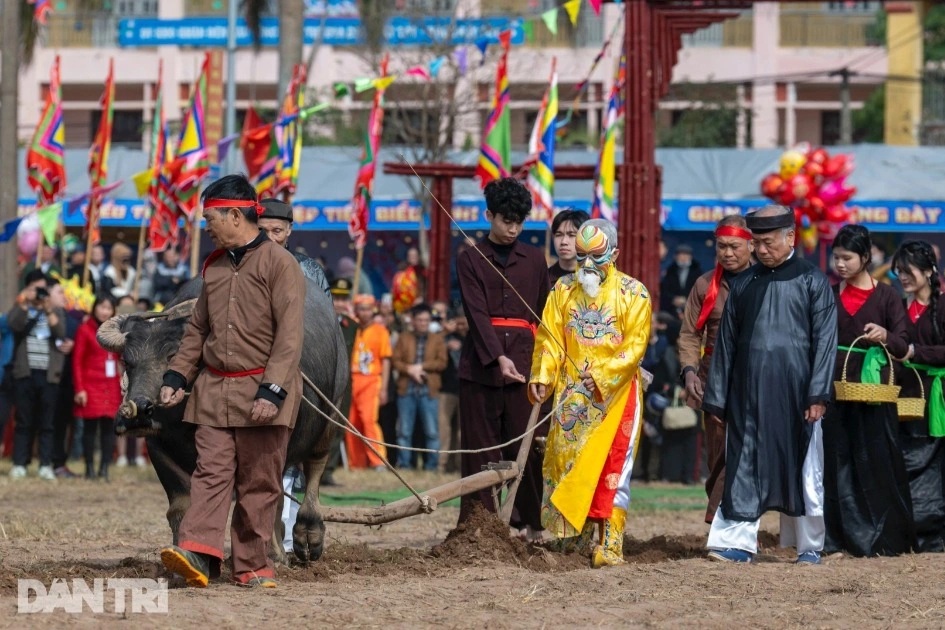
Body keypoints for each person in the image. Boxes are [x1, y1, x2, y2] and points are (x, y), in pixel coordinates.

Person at [157, 174, 305, 589]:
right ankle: (199, 556)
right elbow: (197, 331)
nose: (206, 227)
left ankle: (254, 566)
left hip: (264, 394)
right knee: (210, 473)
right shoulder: (215, 268)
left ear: (234, 215)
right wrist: (176, 375)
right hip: (214, 392)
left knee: (258, 482)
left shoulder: (280, 264)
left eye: (210, 218)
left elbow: (290, 335)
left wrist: (272, 389)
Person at [703, 206, 837, 565]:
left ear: (790, 238)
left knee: (804, 468)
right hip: (748, 396)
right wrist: (717, 399)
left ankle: (809, 547)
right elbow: (726, 345)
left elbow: (825, 342)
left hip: (798, 398)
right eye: (756, 243)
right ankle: (737, 544)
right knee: (744, 464)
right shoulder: (745, 284)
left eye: (767, 242)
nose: (761, 250)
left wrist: (818, 394)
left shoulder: (813, 281)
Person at [528, 219, 651, 567]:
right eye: (581, 256)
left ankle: (611, 545)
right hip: (571, 398)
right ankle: (574, 542)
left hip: (615, 397)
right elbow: (549, 338)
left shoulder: (635, 293)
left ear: (614, 252)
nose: (587, 265)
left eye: (595, 256)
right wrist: (542, 375)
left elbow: (634, 348)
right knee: (569, 465)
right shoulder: (562, 290)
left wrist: (599, 378)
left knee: (612, 470)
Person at [457, 177, 550, 539]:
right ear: (489, 216)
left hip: (526, 366)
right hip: (480, 367)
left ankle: (530, 524)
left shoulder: (535, 259)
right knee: (479, 448)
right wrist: (497, 356)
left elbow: (543, 314)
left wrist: (542, 366)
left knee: (526, 446)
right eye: (505, 220)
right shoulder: (470, 259)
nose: (512, 229)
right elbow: (475, 314)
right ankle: (478, 525)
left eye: (519, 222)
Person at [823, 224, 914, 557]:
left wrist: (885, 336)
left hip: (875, 391)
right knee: (836, 460)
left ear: (865, 257)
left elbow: (904, 343)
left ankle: (881, 540)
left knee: (876, 460)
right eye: (836, 258)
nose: (841, 264)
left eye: (847, 257)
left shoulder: (888, 296)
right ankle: (835, 540)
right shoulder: (828, 293)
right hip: (835, 385)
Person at [677, 215, 753, 523]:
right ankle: (723, 517)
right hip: (712, 378)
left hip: (752, 378)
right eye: (722, 246)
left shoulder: (764, 282)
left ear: (751, 246)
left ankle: (728, 522)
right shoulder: (704, 284)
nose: (728, 253)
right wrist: (689, 371)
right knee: (718, 453)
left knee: (743, 451)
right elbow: (688, 334)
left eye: (735, 247)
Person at [893, 241, 945, 552]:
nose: (902, 276)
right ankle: (913, 531)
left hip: (938, 398)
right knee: (908, 462)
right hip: (907, 399)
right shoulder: (898, 308)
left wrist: (915, 352)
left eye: (908, 270)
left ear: (928, 271)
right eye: (898, 271)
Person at [7, 271, 68, 480]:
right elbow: (13, 324)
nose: (40, 292)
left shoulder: (55, 311)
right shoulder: (22, 307)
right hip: (25, 372)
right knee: (23, 420)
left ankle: (45, 464)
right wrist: (26, 300)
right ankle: (19, 463)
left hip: (49, 374)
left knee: (47, 422)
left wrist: (47, 307)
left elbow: (60, 332)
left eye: (43, 289)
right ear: (28, 288)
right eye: (36, 288)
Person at [392, 303, 447, 470]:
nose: (423, 323)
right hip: (406, 389)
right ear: (413, 321)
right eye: (420, 320)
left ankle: (432, 465)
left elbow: (442, 362)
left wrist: (421, 367)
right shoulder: (404, 337)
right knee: (404, 431)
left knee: (431, 431)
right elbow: (396, 361)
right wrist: (410, 369)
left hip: (428, 389)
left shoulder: (437, 339)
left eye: (426, 320)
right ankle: (404, 464)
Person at [72, 294, 121, 480]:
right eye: (102, 307)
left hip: (111, 385)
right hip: (90, 385)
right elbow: (77, 362)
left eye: (109, 308)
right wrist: (79, 389)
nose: (105, 311)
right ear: (94, 308)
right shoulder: (85, 330)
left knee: (109, 429)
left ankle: (105, 468)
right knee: (90, 429)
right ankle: (89, 468)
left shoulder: (116, 332)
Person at [346, 294, 391, 470]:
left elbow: (386, 360)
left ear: (373, 310)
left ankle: (378, 461)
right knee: (351, 422)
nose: (364, 313)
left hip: (371, 380)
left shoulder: (381, 331)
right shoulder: (352, 329)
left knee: (368, 420)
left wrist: (384, 388)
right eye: (360, 309)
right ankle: (356, 463)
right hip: (352, 380)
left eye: (367, 309)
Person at [438, 307, 466, 473]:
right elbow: (431, 344)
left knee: (463, 432)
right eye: (458, 323)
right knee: (444, 430)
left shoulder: (475, 337)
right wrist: (444, 334)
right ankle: (442, 465)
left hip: (467, 390)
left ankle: (460, 465)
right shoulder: (446, 337)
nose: (461, 327)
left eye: (464, 323)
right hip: (446, 389)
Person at [548, 209, 590, 284]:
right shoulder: (543, 280)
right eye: (559, 235)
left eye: (571, 235)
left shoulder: (596, 280)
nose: (564, 242)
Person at [660, 244, 702, 316]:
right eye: (681, 254)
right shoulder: (670, 271)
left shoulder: (697, 272)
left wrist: (687, 300)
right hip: (672, 309)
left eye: (686, 255)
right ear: (676, 256)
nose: (684, 258)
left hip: (692, 308)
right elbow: (664, 290)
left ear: (690, 257)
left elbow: (700, 290)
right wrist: (673, 299)